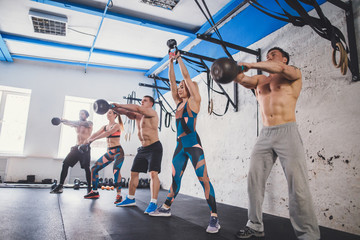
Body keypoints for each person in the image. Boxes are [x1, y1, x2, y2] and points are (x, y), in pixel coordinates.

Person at [234, 47, 320, 239]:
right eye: (268, 55)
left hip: (287, 131)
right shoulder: (261, 81)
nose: (269, 57)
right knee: (254, 180)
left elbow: (279, 68)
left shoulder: (293, 74)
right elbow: (242, 80)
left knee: (297, 185)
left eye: (273, 54)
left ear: (285, 59)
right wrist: (230, 71)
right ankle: (255, 225)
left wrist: (252, 64)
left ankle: (308, 234)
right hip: (265, 134)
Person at [149, 52, 220, 234]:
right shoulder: (178, 103)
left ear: (189, 88)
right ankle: (166, 207)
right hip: (180, 146)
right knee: (175, 179)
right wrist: (170, 60)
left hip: (193, 145)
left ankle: (214, 217)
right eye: (179, 87)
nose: (179, 88)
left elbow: (186, 77)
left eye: (183, 87)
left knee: (203, 179)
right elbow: (172, 82)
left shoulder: (194, 101)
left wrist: (179, 58)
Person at [111, 96, 163, 215]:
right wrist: (113, 108)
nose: (142, 102)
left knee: (153, 173)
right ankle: (130, 198)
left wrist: (118, 104)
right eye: (142, 100)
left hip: (154, 147)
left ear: (151, 103)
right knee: (134, 173)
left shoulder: (152, 113)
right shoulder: (137, 115)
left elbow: (135, 108)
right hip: (142, 149)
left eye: (145, 100)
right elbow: (125, 112)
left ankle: (153, 202)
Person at [83, 110, 125, 204]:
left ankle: (119, 195)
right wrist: (88, 139)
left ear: (115, 115)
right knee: (94, 168)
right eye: (107, 112)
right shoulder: (105, 126)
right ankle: (94, 192)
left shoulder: (116, 125)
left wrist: (92, 140)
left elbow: (107, 133)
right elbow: (96, 133)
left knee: (116, 171)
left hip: (118, 152)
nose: (108, 114)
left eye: (110, 113)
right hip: (110, 152)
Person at [51, 110, 93, 194]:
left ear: (86, 115)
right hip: (76, 147)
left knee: (87, 168)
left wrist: (65, 120)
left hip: (85, 148)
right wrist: (61, 120)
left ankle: (89, 187)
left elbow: (77, 123)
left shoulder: (89, 123)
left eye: (82, 113)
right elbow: (69, 123)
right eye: (79, 113)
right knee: (65, 164)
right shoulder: (76, 124)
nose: (80, 115)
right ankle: (60, 185)